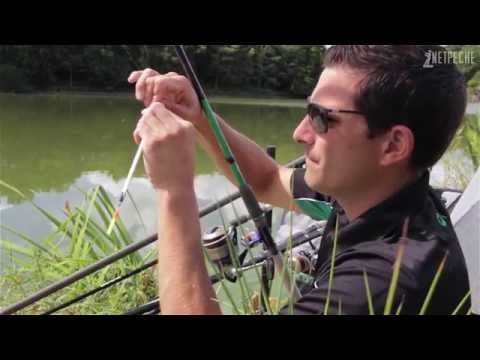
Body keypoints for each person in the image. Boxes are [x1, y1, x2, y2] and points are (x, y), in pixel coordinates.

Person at [128, 45, 470, 315]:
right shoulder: (381, 191)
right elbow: (266, 179)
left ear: (393, 145)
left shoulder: (386, 281)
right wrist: (200, 115)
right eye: (308, 111)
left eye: (321, 119)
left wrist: (173, 190)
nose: (299, 133)